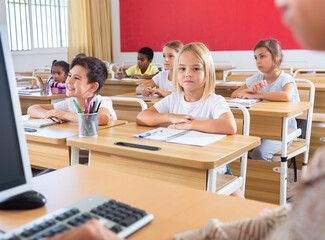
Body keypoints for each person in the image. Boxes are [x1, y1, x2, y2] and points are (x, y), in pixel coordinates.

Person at [45, 0, 325, 239]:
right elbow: (143, 116)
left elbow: (230, 126)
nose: (186, 74)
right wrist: (170, 116)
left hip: (214, 168)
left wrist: (190, 124)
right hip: (179, 156)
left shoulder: (215, 100)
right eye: (181, 69)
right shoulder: (175, 99)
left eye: (194, 68)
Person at [231, 39, 300, 161]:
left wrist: (256, 95)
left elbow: (286, 96)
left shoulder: (286, 79)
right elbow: (234, 94)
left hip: (282, 130)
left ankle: (264, 179)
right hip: (259, 126)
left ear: (277, 57)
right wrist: (250, 89)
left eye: (262, 56)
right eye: (256, 58)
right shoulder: (256, 78)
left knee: (260, 153)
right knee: (233, 146)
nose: (258, 61)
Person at [27, 57, 116, 125]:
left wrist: (64, 115)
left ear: (93, 87)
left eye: (76, 78)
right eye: (69, 75)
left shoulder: (101, 102)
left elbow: (101, 118)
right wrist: (47, 115)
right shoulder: (71, 103)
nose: (69, 81)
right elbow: (32, 108)